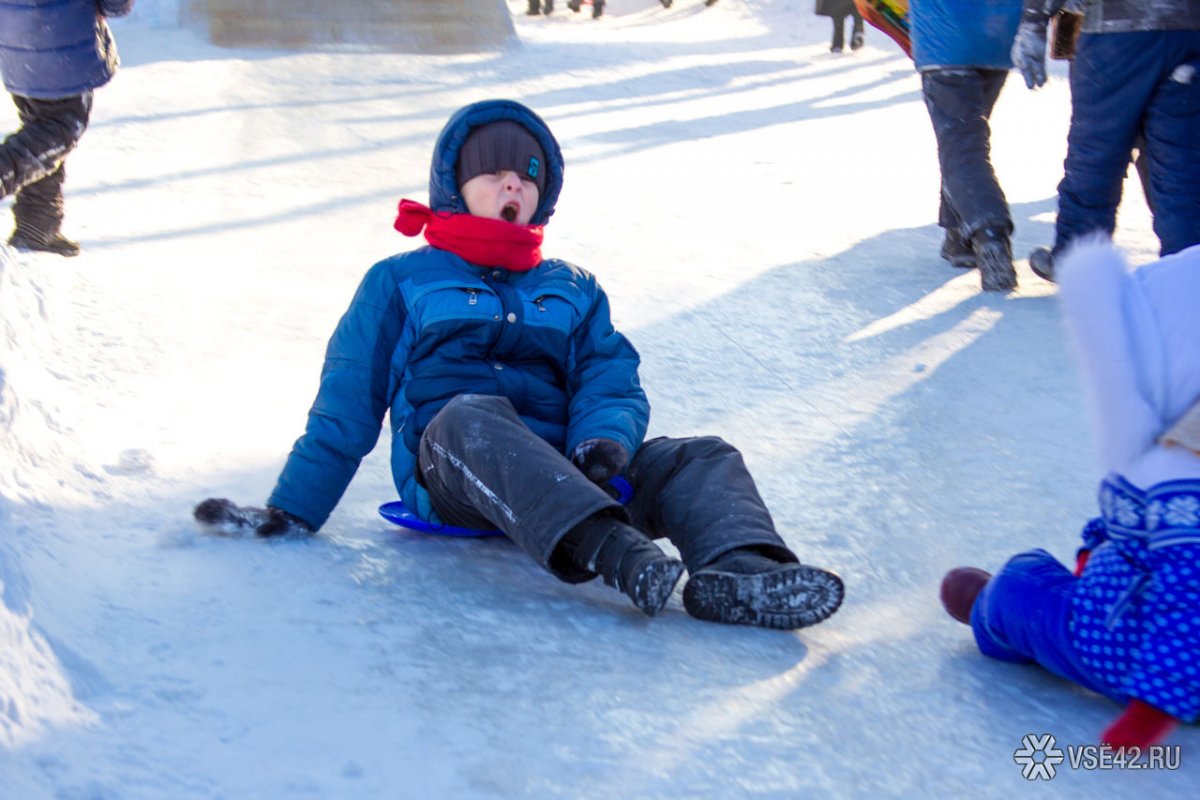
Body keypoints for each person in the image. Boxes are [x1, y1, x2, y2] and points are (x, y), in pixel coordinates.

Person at [194, 99, 845, 629]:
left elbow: (606, 374)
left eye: (528, 172)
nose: (513, 181)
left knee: (701, 456)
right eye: (491, 169)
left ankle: (744, 572)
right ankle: (615, 552)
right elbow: (349, 400)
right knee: (466, 416)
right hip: (456, 472)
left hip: (569, 470)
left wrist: (604, 445)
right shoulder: (402, 281)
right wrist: (294, 508)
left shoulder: (573, 287)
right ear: (453, 185)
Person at [941, 239, 1200, 748]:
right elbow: (1125, 517)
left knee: (1021, 586)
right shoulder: (1164, 460)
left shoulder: (1180, 489)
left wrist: (1153, 710)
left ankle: (987, 610)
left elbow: (1186, 601)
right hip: (1138, 611)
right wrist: (1093, 547)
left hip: (1123, 646)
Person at [1012, 0, 1200, 282]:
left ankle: (1079, 258)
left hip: (1116, 32)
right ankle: (1187, 264)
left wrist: (1034, 23)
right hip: (1189, 30)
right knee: (1181, 161)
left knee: (1096, 152)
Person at [0, 0, 134, 257]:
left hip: (15, 38)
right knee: (59, 129)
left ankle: (37, 224)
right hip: (58, 38)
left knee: (40, 127)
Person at [909, 0, 1024, 292]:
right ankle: (959, 235)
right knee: (963, 139)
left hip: (944, 42)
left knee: (961, 144)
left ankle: (990, 233)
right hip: (996, 38)